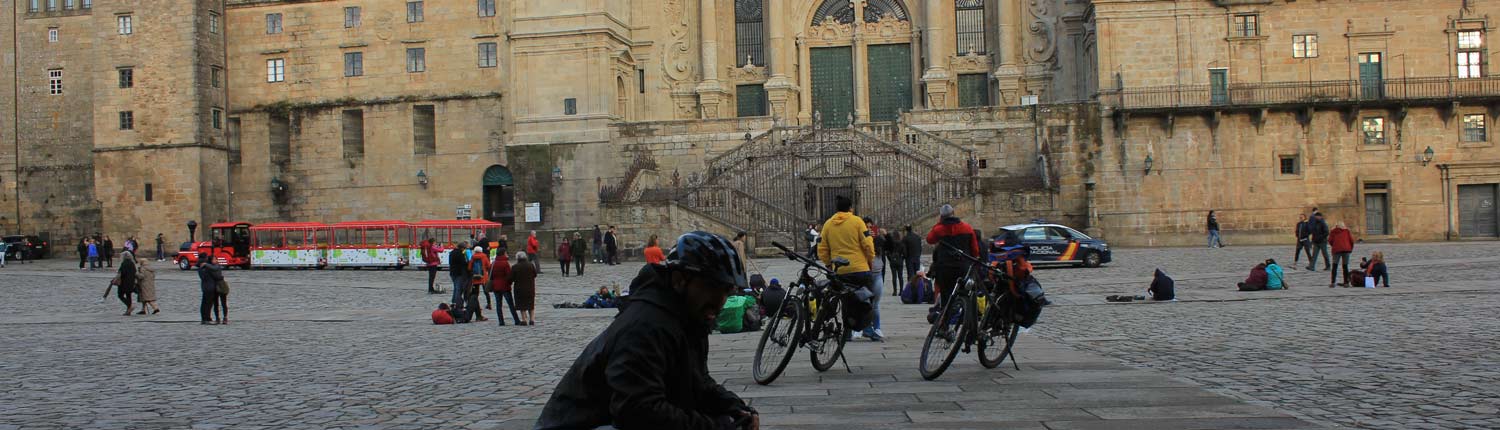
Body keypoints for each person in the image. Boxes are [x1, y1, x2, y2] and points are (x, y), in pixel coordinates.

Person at [534, 231, 757, 430]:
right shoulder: (646, 326)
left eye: (727, 291)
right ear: (679, 280)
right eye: (712, 288)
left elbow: (697, 381)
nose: (720, 302)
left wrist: (735, 408)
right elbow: (637, 412)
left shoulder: (690, 317)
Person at [818, 195, 879, 341]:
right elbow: (867, 244)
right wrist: (870, 258)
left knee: (846, 301)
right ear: (850, 208)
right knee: (866, 299)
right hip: (860, 268)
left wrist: (828, 265)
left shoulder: (828, 224)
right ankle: (868, 329)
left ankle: (847, 332)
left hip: (840, 271)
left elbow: (822, 249)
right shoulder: (857, 221)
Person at [926, 204, 980, 306]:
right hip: (963, 265)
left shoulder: (939, 229)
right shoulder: (967, 228)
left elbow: (929, 239)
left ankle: (946, 316)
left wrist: (938, 224)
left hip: (945, 266)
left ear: (941, 216)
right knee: (965, 292)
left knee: (946, 294)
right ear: (953, 213)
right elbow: (975, 250)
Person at [861, 218, 885, 341]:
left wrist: (883, 236)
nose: (869, 229)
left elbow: (890, 247)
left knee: (875, 304)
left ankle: (877, 328)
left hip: (876, 274)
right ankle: (864, 328)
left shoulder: (878, 240)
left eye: (871, 227)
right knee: (863, 303)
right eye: (866, 227)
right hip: (864, 273)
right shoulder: (858, 239)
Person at [489, 252, 520, 326]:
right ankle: (516, 320)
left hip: (496, 286)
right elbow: (509, 275)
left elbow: (490, 274)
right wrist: (509, 283)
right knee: (510, 304)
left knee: (498, 304)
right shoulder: (505, 263)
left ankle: (501, 321)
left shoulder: (493, 263)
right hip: (504, 286)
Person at [511, 252, 538, 325]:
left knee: (521, 304)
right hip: (530, 288)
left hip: (519, 288)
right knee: (530, 303)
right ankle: (532, 319)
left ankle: (524, 319)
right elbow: (535, 274)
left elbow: (511, 278)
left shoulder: (515, 267)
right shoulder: (531, 265)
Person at [1329, 222, 1355, 287]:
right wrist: (1350, 248)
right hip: (1346, 250)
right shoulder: (1347, 231)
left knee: (1335, 266)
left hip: (1337, 250)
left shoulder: (1333, 231)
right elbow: (1351, 240)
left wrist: (1334, 245)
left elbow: (1330, 240)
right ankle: (1346, 282)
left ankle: (1333, 282)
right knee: (1345, 266)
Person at [467, 245, 490, 322]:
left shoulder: (473, 257)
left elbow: (469, 267)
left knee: (475, 293)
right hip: (483, 277)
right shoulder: (484, 256)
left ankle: (476, 303)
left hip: (475, 277)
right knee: (486, 290)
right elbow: (488, 265)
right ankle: (489, 304)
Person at [198, 260, 224, 325]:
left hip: (204, 287)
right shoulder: (209, 268)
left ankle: (204, 318)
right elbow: (217, 276)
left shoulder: (200, 268)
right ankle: (207, 318)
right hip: (211, 288)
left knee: (204, 304)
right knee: (209, 304)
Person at [115, 250, 139, 316]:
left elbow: (122, 273)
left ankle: (130, 306)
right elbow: (134, 272)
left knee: (120, 295)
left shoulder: (124, 263)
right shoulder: (132, 263)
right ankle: (128, 310)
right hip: (131, 282)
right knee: (129, 295)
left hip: (124, 282)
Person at [448, 241, 471, 306]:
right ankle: (457, 303)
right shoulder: (460, 254)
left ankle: (453, 301)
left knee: (455, 287)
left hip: (452, 272)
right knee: (458, 288)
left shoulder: (452, 253)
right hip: (459, 273)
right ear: (462, 248)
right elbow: (463, 263)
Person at [885, 230, 906, 296]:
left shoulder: (891, 244)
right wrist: (902, 259)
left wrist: (890, 259)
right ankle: (901, 291)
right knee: (900, 276)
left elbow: (887, 253)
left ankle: (895, 291)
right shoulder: (902, 244)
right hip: (900, 261)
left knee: (894, 276)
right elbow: (905, 254)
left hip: (893, 261)